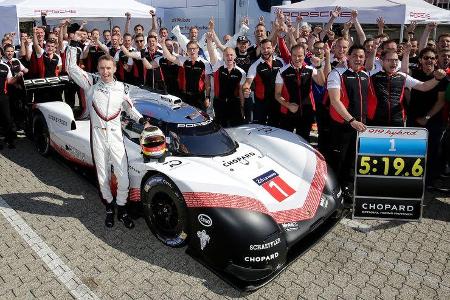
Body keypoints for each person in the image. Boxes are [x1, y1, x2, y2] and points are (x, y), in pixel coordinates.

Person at [66, 33, 150, 229]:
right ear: (98, 69)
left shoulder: (121, 88)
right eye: (102, 68)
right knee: (102, 175)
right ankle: (109, 208)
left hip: (115, 136)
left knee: (123, 175)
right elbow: (71, 68)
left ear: (114, 68)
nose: (105, 72)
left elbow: (130, 109)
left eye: (108, 68)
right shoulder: (91, 85)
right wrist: (73, 44)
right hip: (97, 136)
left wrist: (143, 121)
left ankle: (122, 208)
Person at [327, 45, 374, 200]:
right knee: (338, 160)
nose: (358, 59)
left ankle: (347, 188)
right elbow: (334, 100)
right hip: (342, 125)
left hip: (359, 126)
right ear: (348, 56)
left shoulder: (365, 74)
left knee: (352, 159)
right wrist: (351, 120)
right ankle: (333, 190)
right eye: (355, 56)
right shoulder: (336, 74)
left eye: (361, 56)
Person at [368, 49, 446, 127]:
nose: (394, 63)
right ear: (382, 62)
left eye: (396, 60)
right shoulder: (372, 76)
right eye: (390, 60)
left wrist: (437, 79)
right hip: (376, 120)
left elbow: (424, 86)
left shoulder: (402, 76)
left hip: (397, 120)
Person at [274, 44, 325, 141]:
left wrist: (319, 67)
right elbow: (277, 94)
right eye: (294, 55)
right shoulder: (282, 71)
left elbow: (321, 83)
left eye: (300, 55)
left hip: (307, 112)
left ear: (304, 55)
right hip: (288, 113)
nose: (297, 58)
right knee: (286, 141)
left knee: (304, 140)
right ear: (291, 55)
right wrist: (288, 105)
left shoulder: (310, 69)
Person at [207, 34, 246, 127]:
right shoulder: (218, 68)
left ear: (235, 56)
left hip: (234, 104)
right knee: (221, 127)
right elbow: (211, 53)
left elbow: (241, 91)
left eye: (231, 55)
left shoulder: (241, 72)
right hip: (219, 102)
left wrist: (242, 106)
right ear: (223, 57)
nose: (229, 57)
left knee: (236, 127)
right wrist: (209, 40)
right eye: (227, 55)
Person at [161, 39, 212, 110]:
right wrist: (163, 45)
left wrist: (207, 97)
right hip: (185, 96)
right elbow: (169, 57)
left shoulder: (205, 63)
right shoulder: (184, 60)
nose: (192, 51)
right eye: (190, 49)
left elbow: (207, 83)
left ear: (198, 49)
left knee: (201, 118)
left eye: (194, 49)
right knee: (186, 119)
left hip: (199, 97)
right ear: (187, 50)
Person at [242, 39, 284, 126]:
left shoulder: (281, 62)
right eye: (263, 48)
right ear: (260, 49)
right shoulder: (255, 65)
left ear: (273, 48)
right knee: (259, 129)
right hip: (261, 103)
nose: (265, 51)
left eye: (268, 48)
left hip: (277, 102)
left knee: (276, 128)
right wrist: (246, 90)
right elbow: (247, 83)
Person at [0, 48, 15, 149]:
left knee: (7, 118)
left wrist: (18, 76)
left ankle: (10, 140)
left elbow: (10, 81)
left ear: (1, 55)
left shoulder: (5, 67)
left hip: (3, 97)